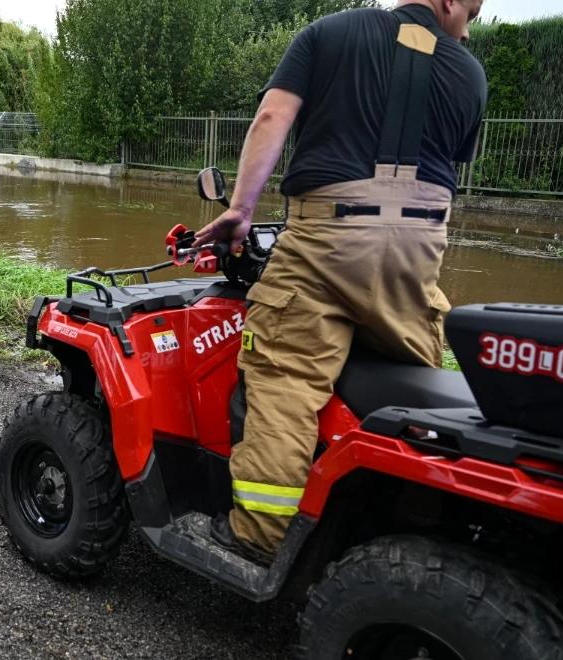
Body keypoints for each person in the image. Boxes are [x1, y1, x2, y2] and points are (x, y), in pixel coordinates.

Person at [194, 0, 487, 561]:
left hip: (327, 237)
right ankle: (410, 526)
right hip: (418, 250)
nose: (466, 30)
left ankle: (259, 534)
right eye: (467, 14)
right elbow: (446, 160)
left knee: (285, 374)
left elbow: (273, 118)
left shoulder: (328, 32)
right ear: (448, 2)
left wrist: (240, 210)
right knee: (414, 384)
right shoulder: (469, 73)